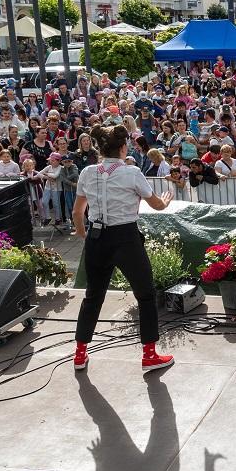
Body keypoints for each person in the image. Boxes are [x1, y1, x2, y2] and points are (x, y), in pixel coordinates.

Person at [71, 124, 176, 373]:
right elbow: (157, 205)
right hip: (126, 237)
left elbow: (77, 212)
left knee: (92, 297)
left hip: (98, 236)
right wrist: (165, 201)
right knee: (146, 294)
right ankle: (149, 355)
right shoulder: (132, 172)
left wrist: (86, 236)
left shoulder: (87, 172)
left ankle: (79, 354)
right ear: (122, 148)